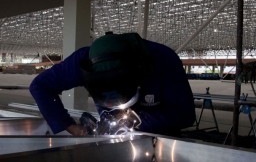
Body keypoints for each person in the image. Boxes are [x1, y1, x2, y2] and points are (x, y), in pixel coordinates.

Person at [29, 32, 195, 137]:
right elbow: (40, 86)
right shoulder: (81, 63)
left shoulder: (162, 59)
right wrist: (71, 126)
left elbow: (185, 115)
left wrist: (135, 121)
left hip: (160, 135)